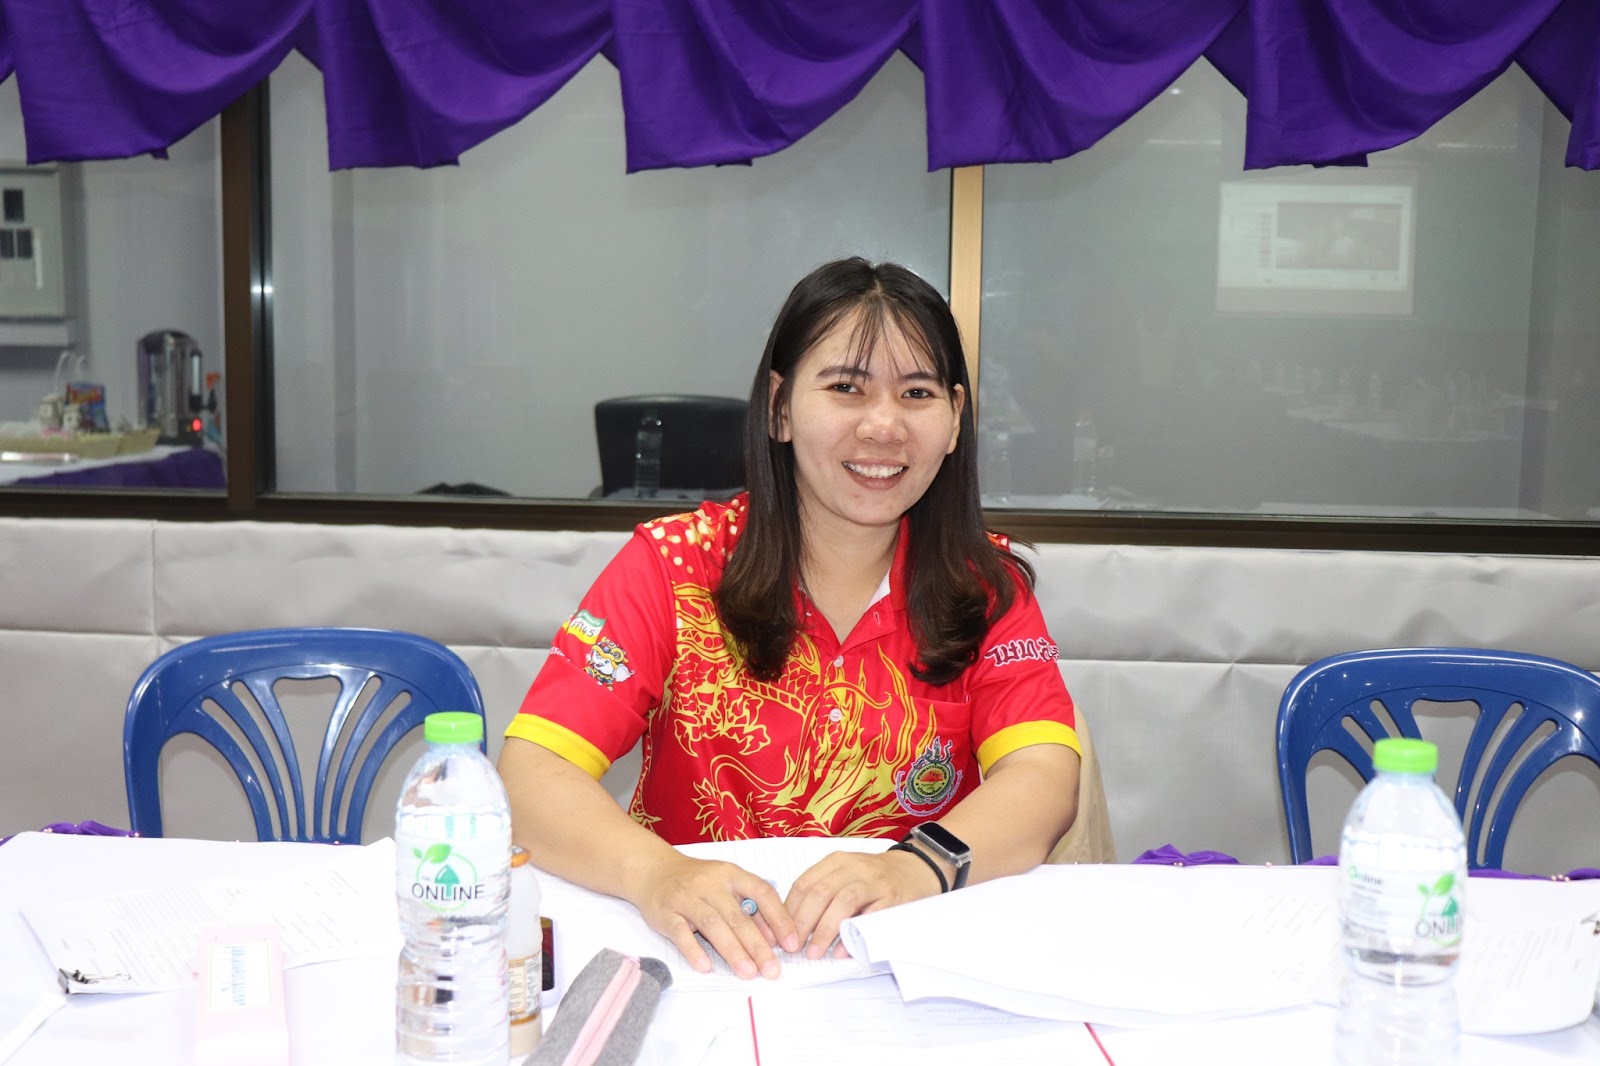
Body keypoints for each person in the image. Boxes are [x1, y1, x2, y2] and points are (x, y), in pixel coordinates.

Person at [498, 257, 1082, 981]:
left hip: (899, 968)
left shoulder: (985, 586)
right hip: (705, 962)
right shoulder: (673, 566)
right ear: (779, 407)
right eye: (846, 388)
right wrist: (655, 874)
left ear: (955, 418)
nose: (883, 426)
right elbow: (534, 770)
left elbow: (1042, 774)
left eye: (917, 393)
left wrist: (917, 867)